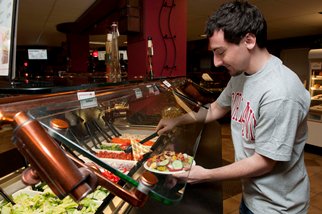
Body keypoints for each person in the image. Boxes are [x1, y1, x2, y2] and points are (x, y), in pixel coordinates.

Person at [156, 1, 311, 213]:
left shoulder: (280, 92)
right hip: (252, 196)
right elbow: (215, 109)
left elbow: (264, 162)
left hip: (278, 207)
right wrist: (177, 120)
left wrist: (204, 174)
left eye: (221, 52)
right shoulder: (240, 75)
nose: (216, 62)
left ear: (249, 40)